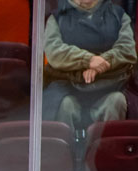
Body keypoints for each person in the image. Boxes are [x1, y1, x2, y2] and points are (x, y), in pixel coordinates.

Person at [43, 0, 137, 129]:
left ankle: (109, 142)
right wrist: (88, 60)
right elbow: (54, 52)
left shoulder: (119, 15)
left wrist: (102, 63)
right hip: (66, 88)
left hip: (111, 86)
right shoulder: (56, 18)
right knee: (64, 105)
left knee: (117, 101)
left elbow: (127, 50)